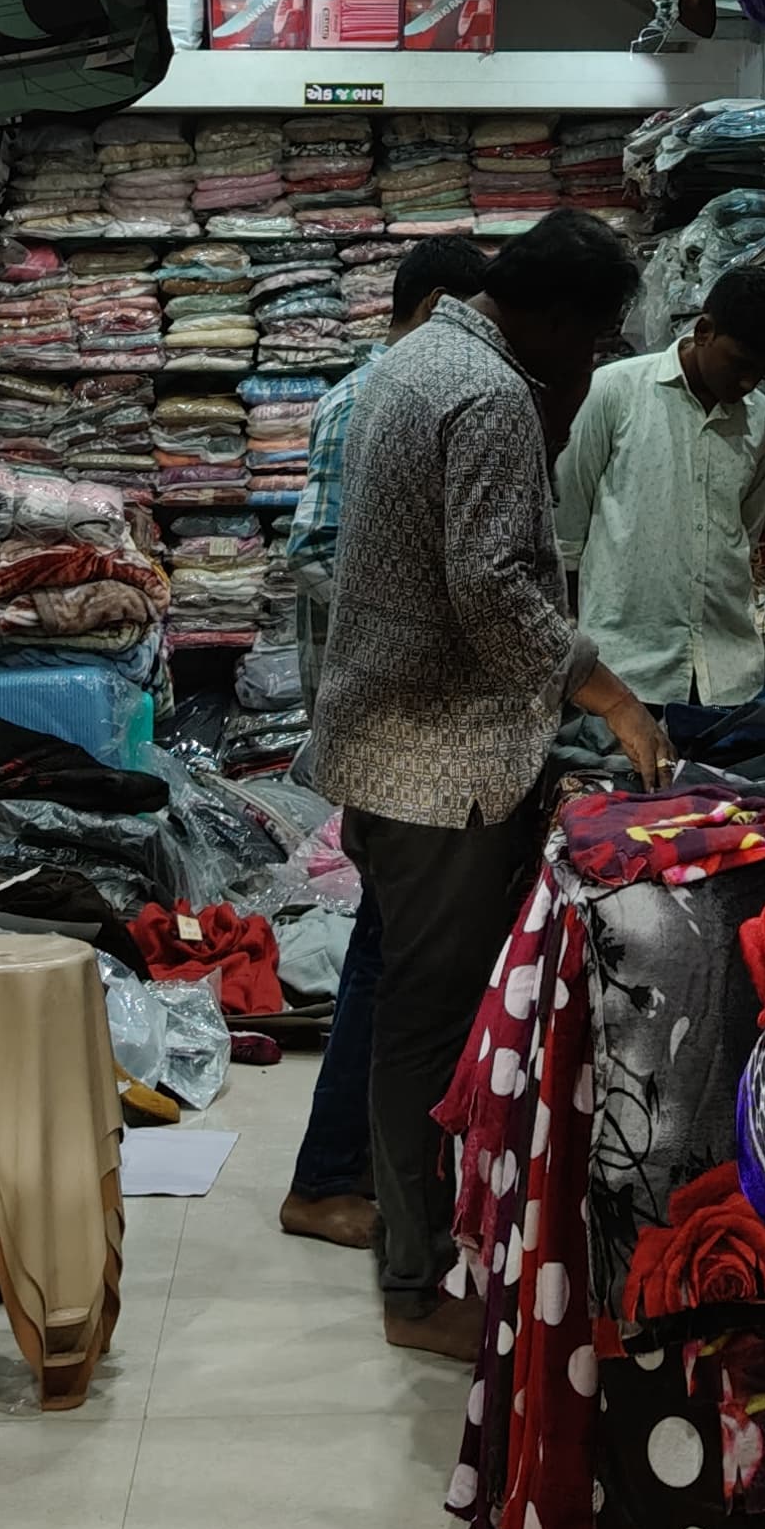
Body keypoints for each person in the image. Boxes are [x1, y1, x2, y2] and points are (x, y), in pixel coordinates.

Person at [306, 208, 669, 1355]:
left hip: (390, 744)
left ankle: (419, 1248)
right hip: (442, 765)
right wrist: (609, 695)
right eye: (594, 336)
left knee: (409, 1003)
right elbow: (495, 585)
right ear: (554, 317)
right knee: (428, 1021)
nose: (593, 359)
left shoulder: (416, 357)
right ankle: (417, 1285)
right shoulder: (492, 393)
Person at [277, 235, 492, 1256]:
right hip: (391, 721)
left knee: (396, 942)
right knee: (389, 947)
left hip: (413, 718)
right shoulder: (373, 398)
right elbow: (316, 551)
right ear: (443, 304)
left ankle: (363, 1162)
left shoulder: (426, 396)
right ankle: (326, 1176)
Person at [554, 263, 765, 707]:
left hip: (728, 673)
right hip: (625, 671)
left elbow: (745, 529)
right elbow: (567, 526)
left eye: (762, 372)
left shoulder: (764, 420)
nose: (748, 383)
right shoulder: (613, 392)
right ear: (704, 331)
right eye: (740, 365)